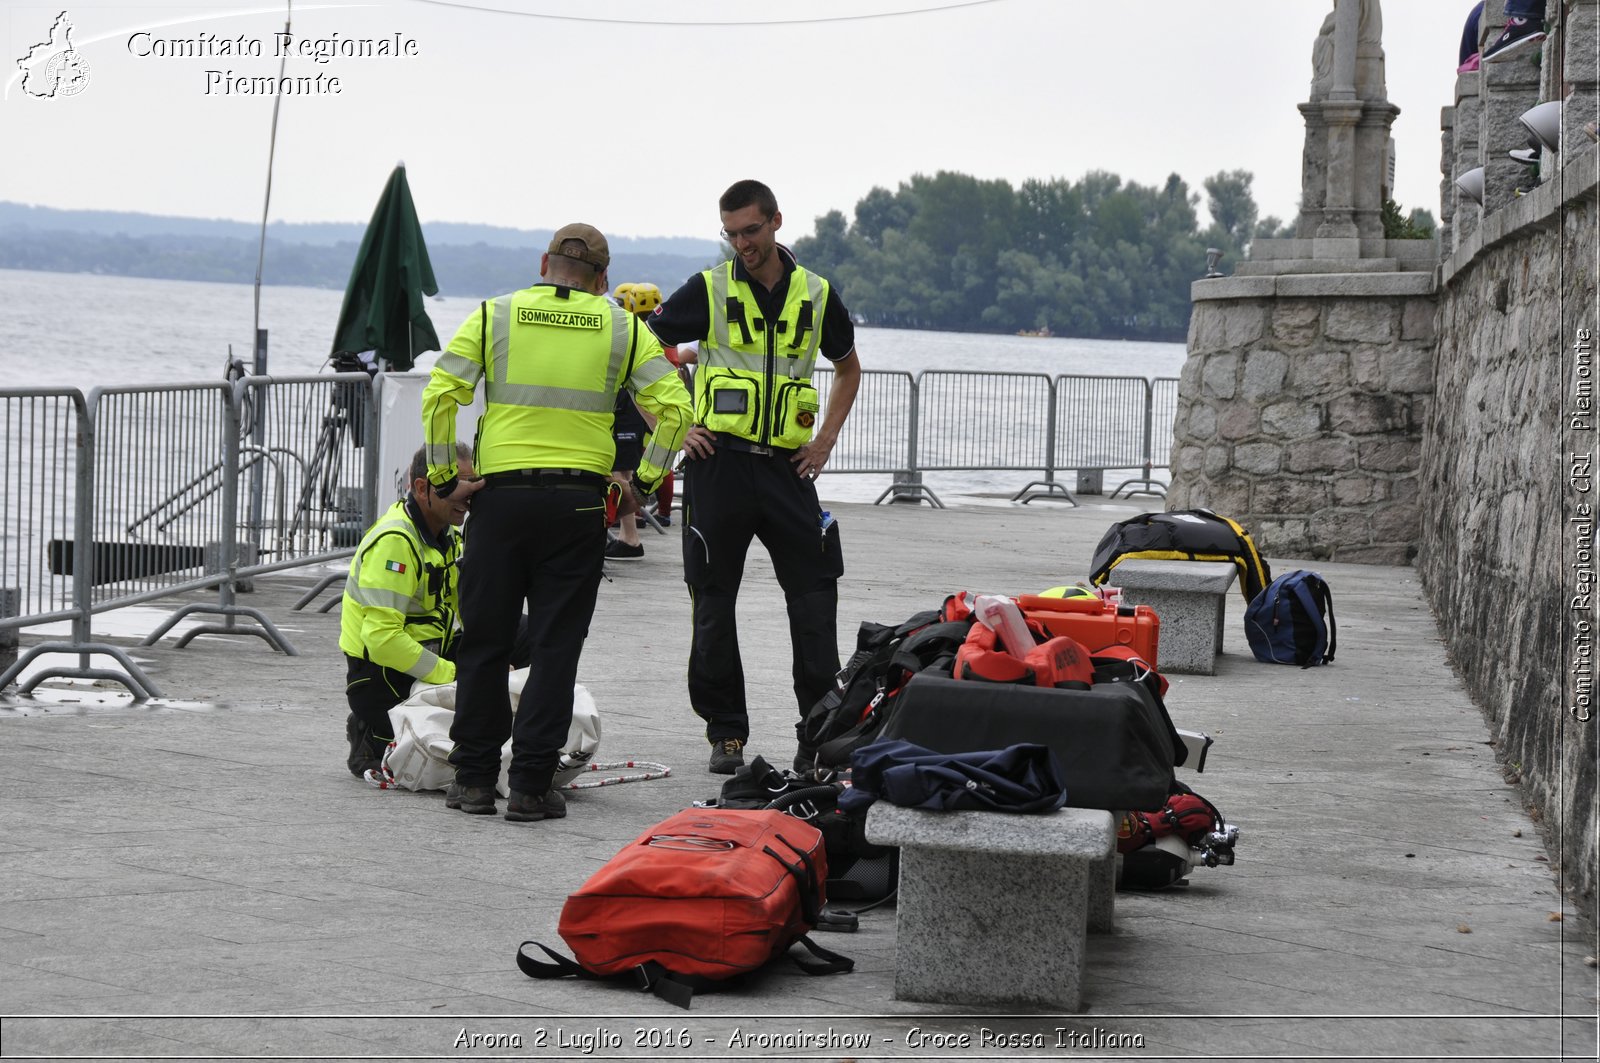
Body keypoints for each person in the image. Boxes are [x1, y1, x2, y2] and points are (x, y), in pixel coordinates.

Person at [422, 223, 691, 821]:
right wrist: (641, 485)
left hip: (500, 499)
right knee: (555, 646)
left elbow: (441, 394)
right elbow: (676, 411)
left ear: (544, 262)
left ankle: (471, 780)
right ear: (602, 278)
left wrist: (444, 478)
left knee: (485, 641)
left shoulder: (496, 314)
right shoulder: (622, 326)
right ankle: (531, 787)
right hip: (576, 505)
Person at [645, 179, 862, 775]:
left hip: (789, 470)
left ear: (775, 223)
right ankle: (726, 733)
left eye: (751, 231)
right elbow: (640, 348)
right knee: (712, 604)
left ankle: (816, 734)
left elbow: (848, 368)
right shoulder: (708, 288)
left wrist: (825, 441)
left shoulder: (816, 294)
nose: (741, 243)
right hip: (720, 467)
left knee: (816, 601)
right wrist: (675, 423)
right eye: (731, 233)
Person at [339, 443, 479, 778]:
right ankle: (370, 734)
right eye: (458, 485)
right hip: (383, 677)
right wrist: (455, 677)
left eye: (474, 483)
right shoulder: (395, 543)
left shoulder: (447, 537)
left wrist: (493, 655)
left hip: (428, 657)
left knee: (523, 634)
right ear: (421, 488)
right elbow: (383, 640)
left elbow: (469, 611)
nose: (469, 494)